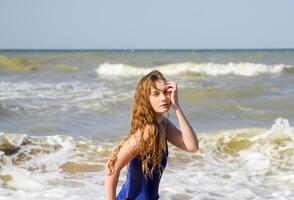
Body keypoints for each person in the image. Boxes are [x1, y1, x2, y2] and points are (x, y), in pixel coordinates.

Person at [105, 70, 199, 200]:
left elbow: (192, 146)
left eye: (166, 92)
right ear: (146, 100)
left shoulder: (163, 126)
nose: (163, 98)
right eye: (156, 94)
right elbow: (112, 168)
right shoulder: (146, 133)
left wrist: (177, 106)